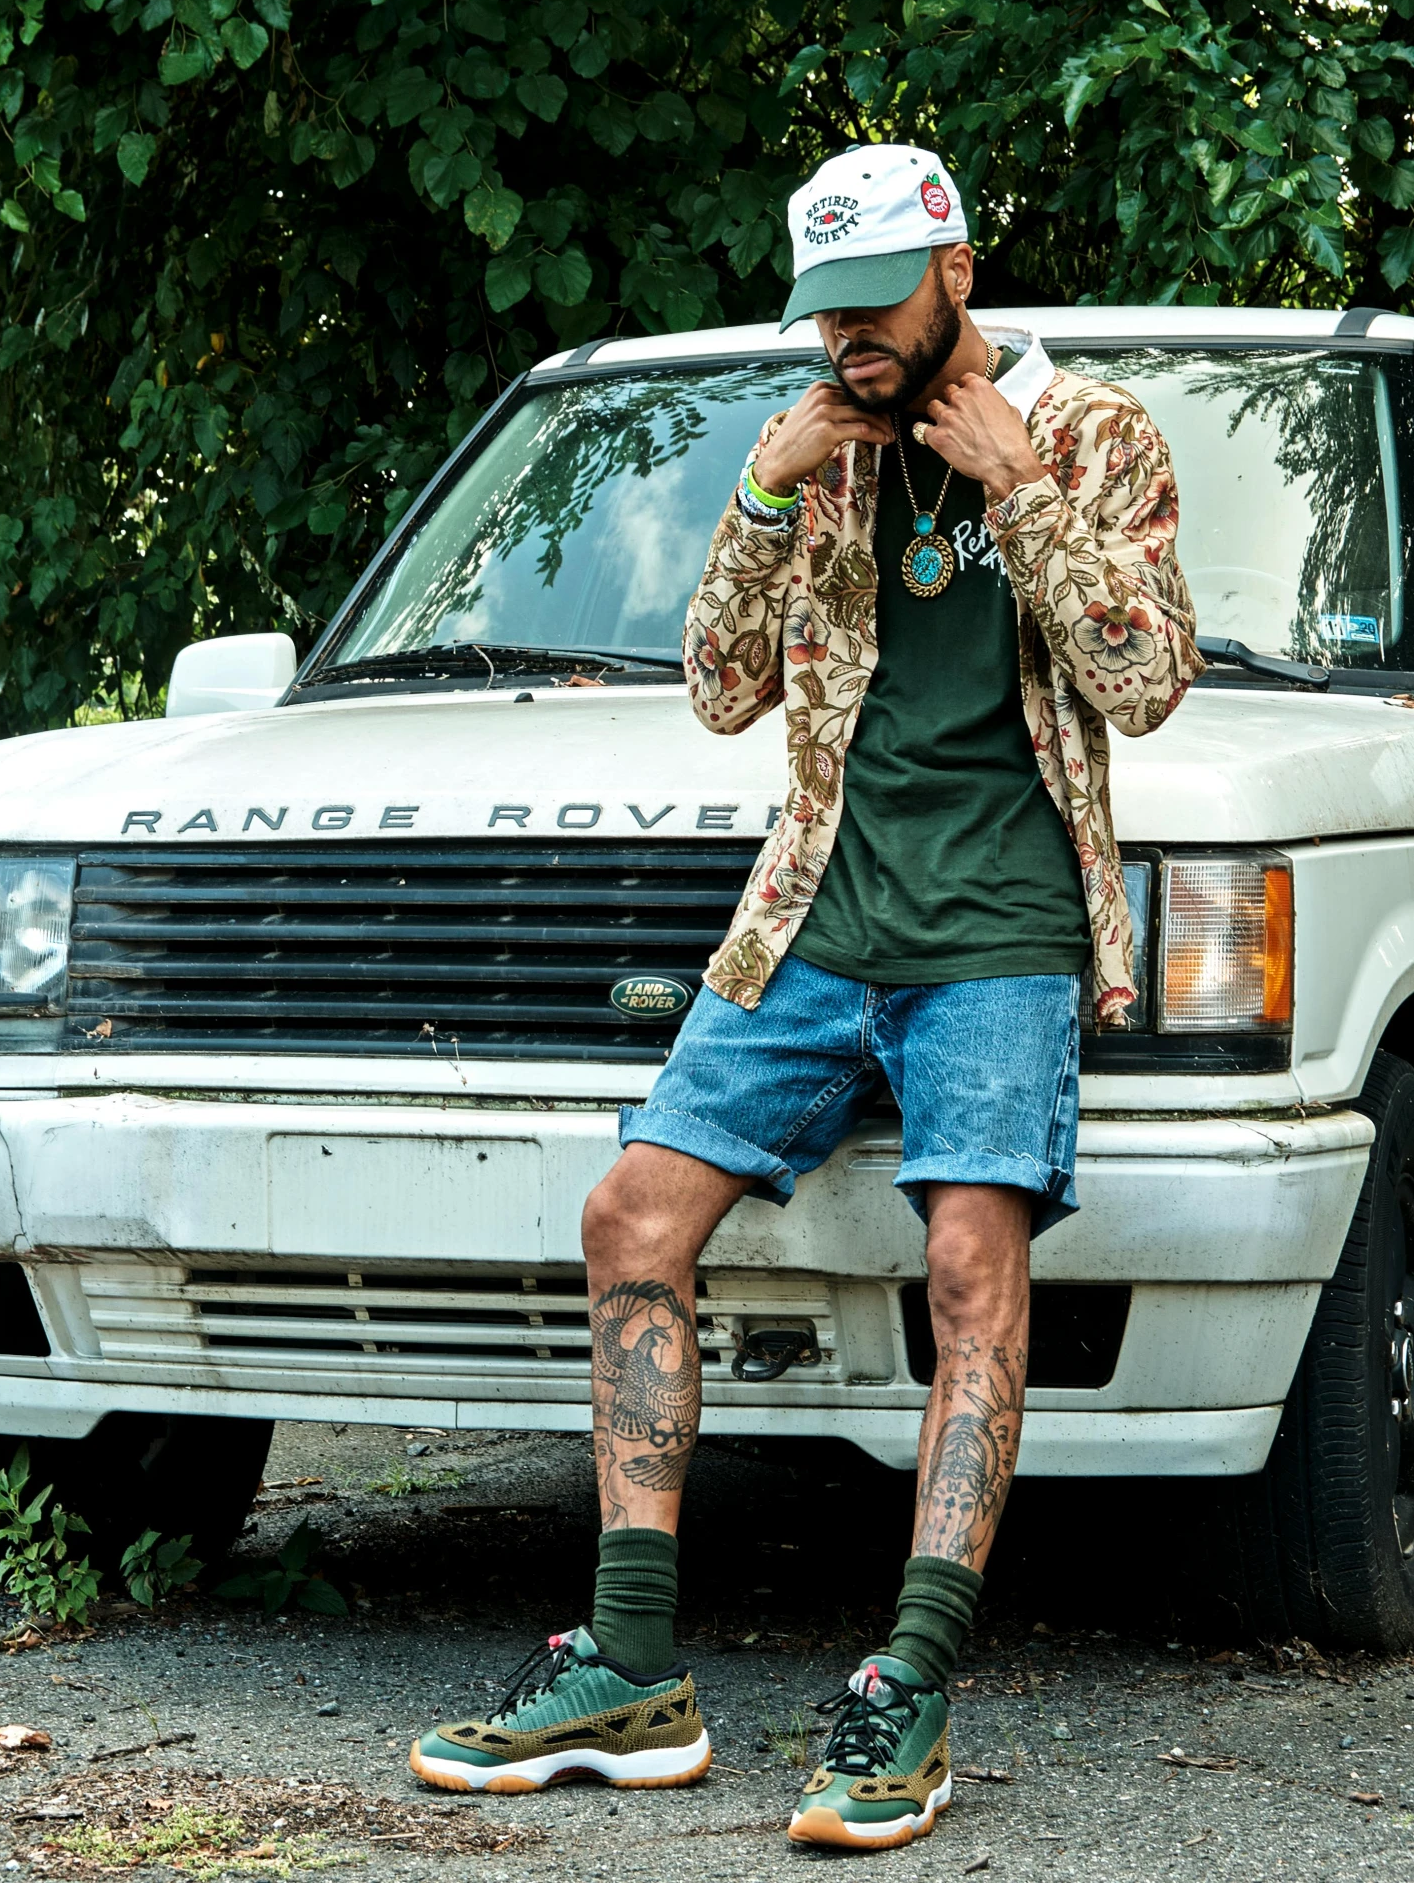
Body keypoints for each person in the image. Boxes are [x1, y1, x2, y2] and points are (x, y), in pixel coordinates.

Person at [410, 143, 1202, 1849]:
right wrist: (765, 493)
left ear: (959, 278)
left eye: (874, 312)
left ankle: (908, 1684)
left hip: (1002, 932)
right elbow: (715, 694)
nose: (846, 346)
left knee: (971, 1265)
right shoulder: (821, 452)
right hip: (813, 925)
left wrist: (1019, 492)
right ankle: (627, 1664)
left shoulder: (1096, 433)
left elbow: (1146, 680)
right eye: (825, 317)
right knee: (629, 1213)